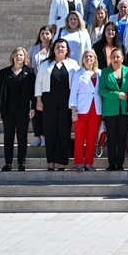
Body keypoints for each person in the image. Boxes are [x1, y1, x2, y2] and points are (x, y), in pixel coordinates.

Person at [34, 38, 80, 171]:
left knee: (64, 130)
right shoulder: (45, 64)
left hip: (66, 101)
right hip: (49, 100)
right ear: (53, 49)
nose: (60, 49)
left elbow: (77, 84)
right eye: (58, 47)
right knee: (50, 130)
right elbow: (39, 83)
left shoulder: (73, 64)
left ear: (67, 50)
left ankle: (61, 161)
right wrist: (38, 100)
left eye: (63, 47)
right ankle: (51, 161)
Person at [0, 46, 36, 171]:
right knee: (8, 136)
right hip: (8, 109)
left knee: (22, 136)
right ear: (12, 57)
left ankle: (21, 163)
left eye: (21, 55)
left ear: (25, 57)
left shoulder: (30, 72)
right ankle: (8, 163)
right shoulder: (5, 72)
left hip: (23, 109)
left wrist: (33, 107)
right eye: (16, 55)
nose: (19, 57)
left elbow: (33, 91)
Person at [98, 47, 128, 171]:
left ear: (122, 58)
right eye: (113, 57)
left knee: (122, 137)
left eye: (118, 57)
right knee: (112, 137)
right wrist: (118, 95)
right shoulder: (105, 72)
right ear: (110, 59)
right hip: (110, 110)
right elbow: (102, 90)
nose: (115, 59)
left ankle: (120, 164)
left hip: (124, 110)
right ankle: (112, 163)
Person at [68, 49, 101, 171]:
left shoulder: (99, 73)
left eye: (91, 56)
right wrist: (73, 109)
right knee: (80, 137)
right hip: (81, 109)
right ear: (82, 59)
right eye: (86, 56)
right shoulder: (78, 73)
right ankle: (78, 162)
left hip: (96, 109)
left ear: (94, 59)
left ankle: (88, 162)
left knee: (92, 137)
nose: (88, 58)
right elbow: (73, 93)